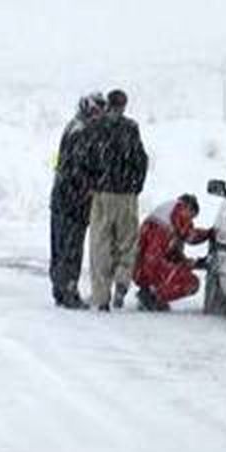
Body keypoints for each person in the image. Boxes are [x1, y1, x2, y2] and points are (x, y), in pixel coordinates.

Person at [83, 88, 148, 311]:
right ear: (124, 105)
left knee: (100, 244)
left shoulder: (96, 128)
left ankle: (101, 296)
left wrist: (91, 184)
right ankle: (122, 280)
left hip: (102, 193)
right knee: (127, 242)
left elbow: (88, 159)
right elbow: (141, 159)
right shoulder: (131, 128)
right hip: (126, 195)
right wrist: (136, 186)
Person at [49, 92, 105, 308]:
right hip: (73, 202)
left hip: (62, 198)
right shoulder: (82, 132)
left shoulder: (72, 127)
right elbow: (77, 168)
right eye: (97, 110)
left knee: (60, 246)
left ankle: (60, 288)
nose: (99, 115)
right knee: (71, 249)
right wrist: (88, 188)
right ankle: (68, 289)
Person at [133, 194, 214, 312]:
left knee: (180, 274)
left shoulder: (163, 217)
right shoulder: (179, 209)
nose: (191, 221)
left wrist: (195, 263)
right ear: (189, 208)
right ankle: (153, 297)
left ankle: (149, 292)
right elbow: (189, 235)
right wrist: (209, 233)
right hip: (152, 265)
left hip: (141, 269)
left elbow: (173, 256)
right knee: (192, 283)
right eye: (191, 217)